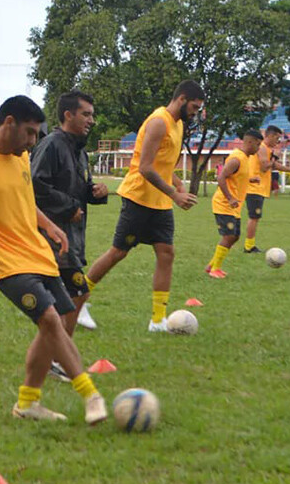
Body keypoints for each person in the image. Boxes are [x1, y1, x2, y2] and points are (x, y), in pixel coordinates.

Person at [0, 95, 107, 425]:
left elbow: (26, 201)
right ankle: (90, 395)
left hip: (38, 254)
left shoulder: (20, 158)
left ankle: (28, 402)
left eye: (36, 134)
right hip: (5, 263)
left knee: (57, 321)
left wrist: (50, 225)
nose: (32, 142)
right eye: (28, 133)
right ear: (8, 123)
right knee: (52, 322)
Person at [85, 80, 205, 332]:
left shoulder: (179, 124)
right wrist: (175, 194)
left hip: (160, 202)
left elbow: (164, 162)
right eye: (194, 106)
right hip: (138, 198)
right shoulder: (158, 122)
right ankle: (78, 299)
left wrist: (175, 181)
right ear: (182, 99)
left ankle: (158, 320)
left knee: (166, 253)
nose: (195, 112)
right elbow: (145, 166)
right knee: (118, 252)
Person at [30, 90, 108, 382]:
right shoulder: (50, 145)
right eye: (86, 114)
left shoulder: (79, 150)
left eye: (91, 114)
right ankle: (57, 358)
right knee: (75, 294)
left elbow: (78, 188)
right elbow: (34, 186)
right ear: (68, 115)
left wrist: (95, 193)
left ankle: (56, 357)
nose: (92, 120)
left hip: (72, 237)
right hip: (51, 238)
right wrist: (69, 206)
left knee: (72, 298)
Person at [204, 130, 263, 278]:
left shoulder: (245, 159)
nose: (258, 148)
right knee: (229, 236)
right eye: (258, 144)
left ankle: (212, 265)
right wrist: (230, 198)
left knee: (235, 236)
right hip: (224, 203)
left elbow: (236, 178)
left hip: (234, 206)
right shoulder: (236, 158)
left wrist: (251, 180)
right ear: (250, 142)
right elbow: (221, 177)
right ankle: (215, 269)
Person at [243, 126, 290, 253]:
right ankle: (249, 246)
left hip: (259, 188)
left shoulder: (266, 149)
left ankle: (249, 244)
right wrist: (275, 156)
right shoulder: (261, 148)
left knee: (255, 217)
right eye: (277, 138)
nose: (278, 141)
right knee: (254, 217)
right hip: (254, 188)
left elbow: (273, 165)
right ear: (270, 136)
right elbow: (266, 166)